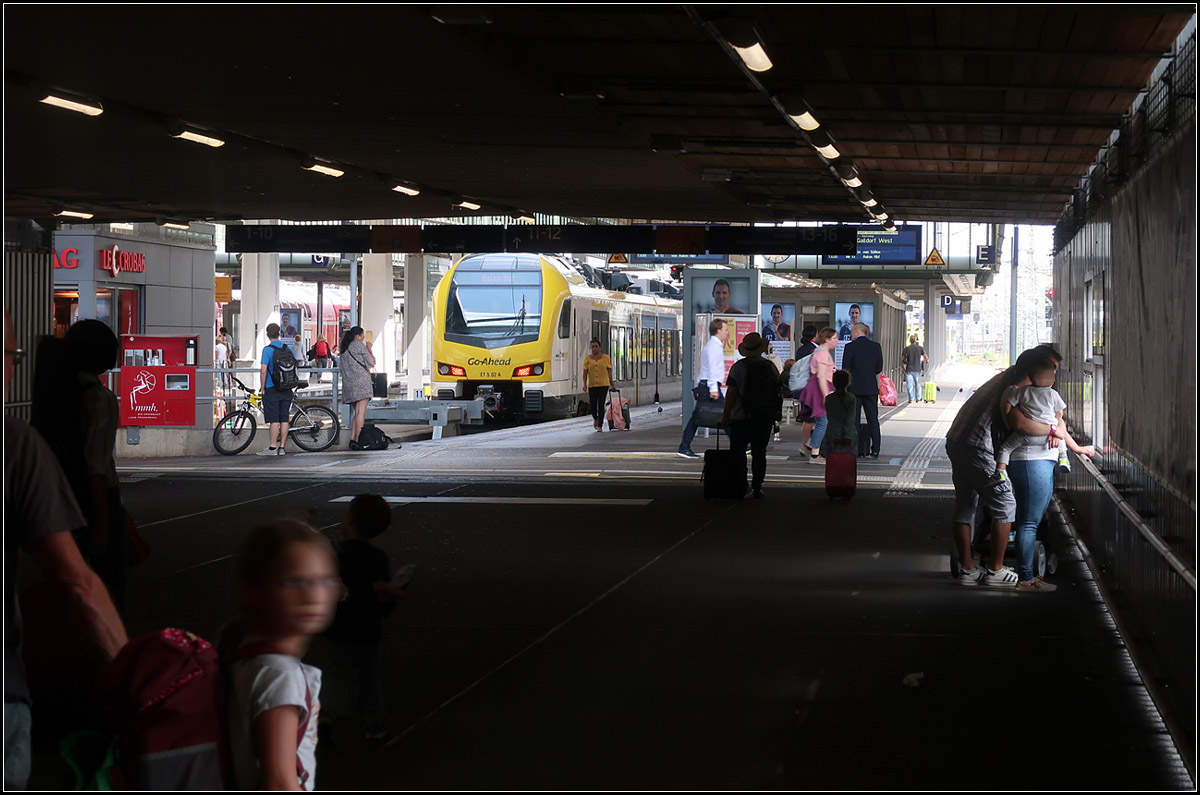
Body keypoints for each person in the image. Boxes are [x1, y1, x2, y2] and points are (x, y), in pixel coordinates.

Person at [5, 309, 128, 790]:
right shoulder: (18, 444)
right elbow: (79, 585)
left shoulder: (52, 400)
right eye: (10, 355)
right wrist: (142, 683)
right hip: (87, 508)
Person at [218, 519, 339, 790]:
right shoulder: (279, 675)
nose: (312, 595)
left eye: (322, 580)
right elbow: (279, 783)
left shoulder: (242, 656)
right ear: (253, 592)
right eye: (294, 582)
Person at [947, 345, 1066, 587]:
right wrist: (1055, 430)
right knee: (1005, 503)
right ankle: (995, 570)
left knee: (966, 504)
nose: (1052, 374)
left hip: (957, 439)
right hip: (979, 445)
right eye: (1050, 367)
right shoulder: (1019, 386)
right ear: (1034, 367)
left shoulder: (1007, 377)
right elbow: (1019, 424)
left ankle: (968, 570)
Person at [32, 319, 130, 611]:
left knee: (67, 589)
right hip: (94, 504)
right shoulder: (99, 398)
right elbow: (97, 469)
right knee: (108, 592)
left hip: (57, 503)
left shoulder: (54, 393)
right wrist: (101, 525)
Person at [992, 356, 1096, 592]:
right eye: (1054, 371)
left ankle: (1027, 576)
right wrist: (1053, 430)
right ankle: (1026, 579)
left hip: (1031, 461)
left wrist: (1075, 446)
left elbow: (1058, 425)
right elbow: (1024, 423)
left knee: (1028, 521)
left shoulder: (1021, 394)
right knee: (1028, 523)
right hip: (1033, 461)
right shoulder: (1026, 392)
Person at [318, 495, 406, 743]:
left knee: (337, 674)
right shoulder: (376, 556)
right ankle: (374, 724)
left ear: (351, 519)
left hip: (338, 625)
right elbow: (379, 587)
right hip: (368, 627)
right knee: (368, 677)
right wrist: (397, 592)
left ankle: (327, 714)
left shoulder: (337, 555)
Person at [719, 333, 781, 499]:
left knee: (738, 453)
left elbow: (731, 393)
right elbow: (778, 391)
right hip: (763, 417)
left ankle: (740, 485)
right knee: (759, 453)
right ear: (761, 348)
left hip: (741, 418)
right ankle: (757, 486)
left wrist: (726, 417)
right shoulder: (770, 367)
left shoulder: (739, 367)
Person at [677, 318, 729, 458]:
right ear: (718, 330)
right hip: (710, 386)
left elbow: (704, 369)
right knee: (725, 416)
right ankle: (684, 447)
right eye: (725, 330)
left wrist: (699, 387)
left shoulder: (714, 345)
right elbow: (712, 368)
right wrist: (713, 388)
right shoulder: (713, 347)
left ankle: (684, 447)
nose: (727, 333)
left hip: (707, 385)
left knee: (700, 417)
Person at [842, 322, 884, 458]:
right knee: (873, 419)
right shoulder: (876, 347)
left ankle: (856, 449)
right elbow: (879, 368)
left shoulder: (849, 347)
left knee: (854, 420)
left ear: (856, 331)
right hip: (871, 388)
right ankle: (875, 449)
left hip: (854, 389)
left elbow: (845, 367)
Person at [802, 327, 838, 463]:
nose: (836, 341)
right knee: (822, 421)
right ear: (827, 339)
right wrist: (826, 395)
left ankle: (810, 444)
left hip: (818, 389)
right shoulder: (823, 354)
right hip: (819, 390)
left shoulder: (820, 352)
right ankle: (815, 454)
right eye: (834, 338)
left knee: (821, 421)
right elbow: (821, 376)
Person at [258, 322, 294, 457]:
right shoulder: (287, 348)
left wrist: (262, 387)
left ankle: (273, 448)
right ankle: (282, 448)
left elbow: (263, 370)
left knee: (274, 419)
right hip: (287, 387)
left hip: (271, 387)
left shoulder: (267, 350)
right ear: (279, 333)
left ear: (267, 335)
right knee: (284, 418)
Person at [340, 326, 375, 450]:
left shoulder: (344, 349)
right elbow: (371, 363)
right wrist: (369, 349)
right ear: (358, 336)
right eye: (362, 335)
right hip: (361, 384)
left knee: (356, 413)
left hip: (349, 385)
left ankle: (352, 440)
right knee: (361, 414)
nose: (364, 337)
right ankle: (360, 440)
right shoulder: (359, 346)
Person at [581, 339, 615, 433]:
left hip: (603, 384)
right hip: (592, 385)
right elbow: (585, 373)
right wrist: (584, 384)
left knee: (601, 404)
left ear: (600, 347)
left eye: (596, 346)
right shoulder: (587, 359)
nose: (594, 348)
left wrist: (612, 384)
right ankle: (595, 418)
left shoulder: (605, 358)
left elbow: (609, 372)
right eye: (592, 347)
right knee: (592, 405)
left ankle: (600, 425)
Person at [793, 325, 818, 452]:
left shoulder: (800, 350)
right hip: (813, 388)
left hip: (802, 387)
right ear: (815, 335)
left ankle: (806, 443)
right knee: (814, 419)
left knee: (807, 417)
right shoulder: (816, 350)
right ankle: (809, 445)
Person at [822, 369, 858, 456]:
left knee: (832, 462)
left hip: (832, 433)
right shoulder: (851, 398)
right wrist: (848, 436)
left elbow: (831, 418)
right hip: (848, 433)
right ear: (848, 382)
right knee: (847, 462)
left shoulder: (829, 399)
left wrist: (836, 435)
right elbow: (850, 419)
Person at [901, 335, 929, 403]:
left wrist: (903, 368)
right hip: (917, 369)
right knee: (918, 384)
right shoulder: (920, 348)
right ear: (916, 341)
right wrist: (927, 361)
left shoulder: (907, 349)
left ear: (910, 341)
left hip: (909, 370)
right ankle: (918, 398)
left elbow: (902, 360)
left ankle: (911, 398)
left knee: (909, 385)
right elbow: (925, 356)